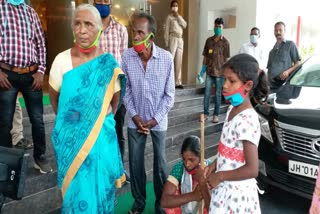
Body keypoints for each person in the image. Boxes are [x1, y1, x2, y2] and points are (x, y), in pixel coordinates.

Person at [48, 4, 126, 213]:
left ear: (100, 28)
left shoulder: (108, 65)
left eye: (88, 24)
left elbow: (115, 102)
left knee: (100, 197)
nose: (82, 30)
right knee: (76, 200)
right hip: (71, 143)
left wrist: (96, 121)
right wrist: (72, 123)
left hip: (101, 145)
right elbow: (55, 99)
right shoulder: (61, 61)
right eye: (77, 24)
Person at [122, 12, 175, 214]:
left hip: (158, 121)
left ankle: (161, 204)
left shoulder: (166, 58)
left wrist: (154, 120)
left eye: (139, 32)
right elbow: (125, 89)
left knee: (161, 165)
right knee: (135, 164)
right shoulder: (126, 57)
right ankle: (138, 203)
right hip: (135, 120)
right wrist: (135, 116)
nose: (134, 36)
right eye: (132, 31)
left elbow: (169, 96)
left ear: (150, 36)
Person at [204, 54, 268, 213]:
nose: (224, 85)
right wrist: (214, 165)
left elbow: (252, 169)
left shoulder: (247, 120)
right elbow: (230, 151)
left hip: (237, 198)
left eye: (231, 81)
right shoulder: (232, 110)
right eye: (224, 79)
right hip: (225, 190)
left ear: (247, 86)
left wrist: (220, 176)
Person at [0, 0, 51, 173]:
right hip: (7, 75)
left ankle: (40, 157)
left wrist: (41, 70)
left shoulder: (30, 12)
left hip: (31, 75)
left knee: (38, 120)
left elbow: (40, 43)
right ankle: (5, 166)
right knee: (4, 123)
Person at [93, 0, 130, 182]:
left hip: (117, 90)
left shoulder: (121, 30)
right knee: (97, 132)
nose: (102, 2)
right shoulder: (89, 28)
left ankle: (119, 169)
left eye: (105, 0)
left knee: (117, 131)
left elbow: (124, 60)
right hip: (96, 91)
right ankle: (100, 171)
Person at [160, 136, 211, 214]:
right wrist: (193, 196)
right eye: (184, 159)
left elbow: (212, 208)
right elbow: (165, 201)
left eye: (191, 160)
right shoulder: (180, 167)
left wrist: (202, 181)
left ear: (200, 156)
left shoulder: (209, 168)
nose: (187, 164)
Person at [200, 18, 230, 123]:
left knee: (218, 94)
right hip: (209, 71)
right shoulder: (209, 41)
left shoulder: (226, 42)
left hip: (220, 73)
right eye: (216, 26)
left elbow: (226, 60)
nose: (217, 28)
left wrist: (227, 76)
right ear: (214, 26)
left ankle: (216, 115)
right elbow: (205, 57)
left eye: (219, 27)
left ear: (223, 28)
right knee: (207, 93)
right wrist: (201, 71)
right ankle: (205, 114)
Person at [267, 21, 300, 93]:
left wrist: (288, 72)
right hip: (271, 86)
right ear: (274, 32)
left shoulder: (290, 44)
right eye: (276, 30)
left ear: (284, 31)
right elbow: (269, 69)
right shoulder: (271, 51)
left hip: (284, 85)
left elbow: (298, 63)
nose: (278, 32)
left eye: (280, 30)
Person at [164, 0, 187, 89]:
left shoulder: (179, 17)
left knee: (179, 61)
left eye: (176, 5)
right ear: (171, 7)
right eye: (173, 5)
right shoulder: (169, 17)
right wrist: (167, 42)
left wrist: (178, 16)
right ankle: (167, 82)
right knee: (170, 60)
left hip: (180, 39)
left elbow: (184, 25)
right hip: (172, 38)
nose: (175, 7)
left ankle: (178, 82)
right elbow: (166, 31)